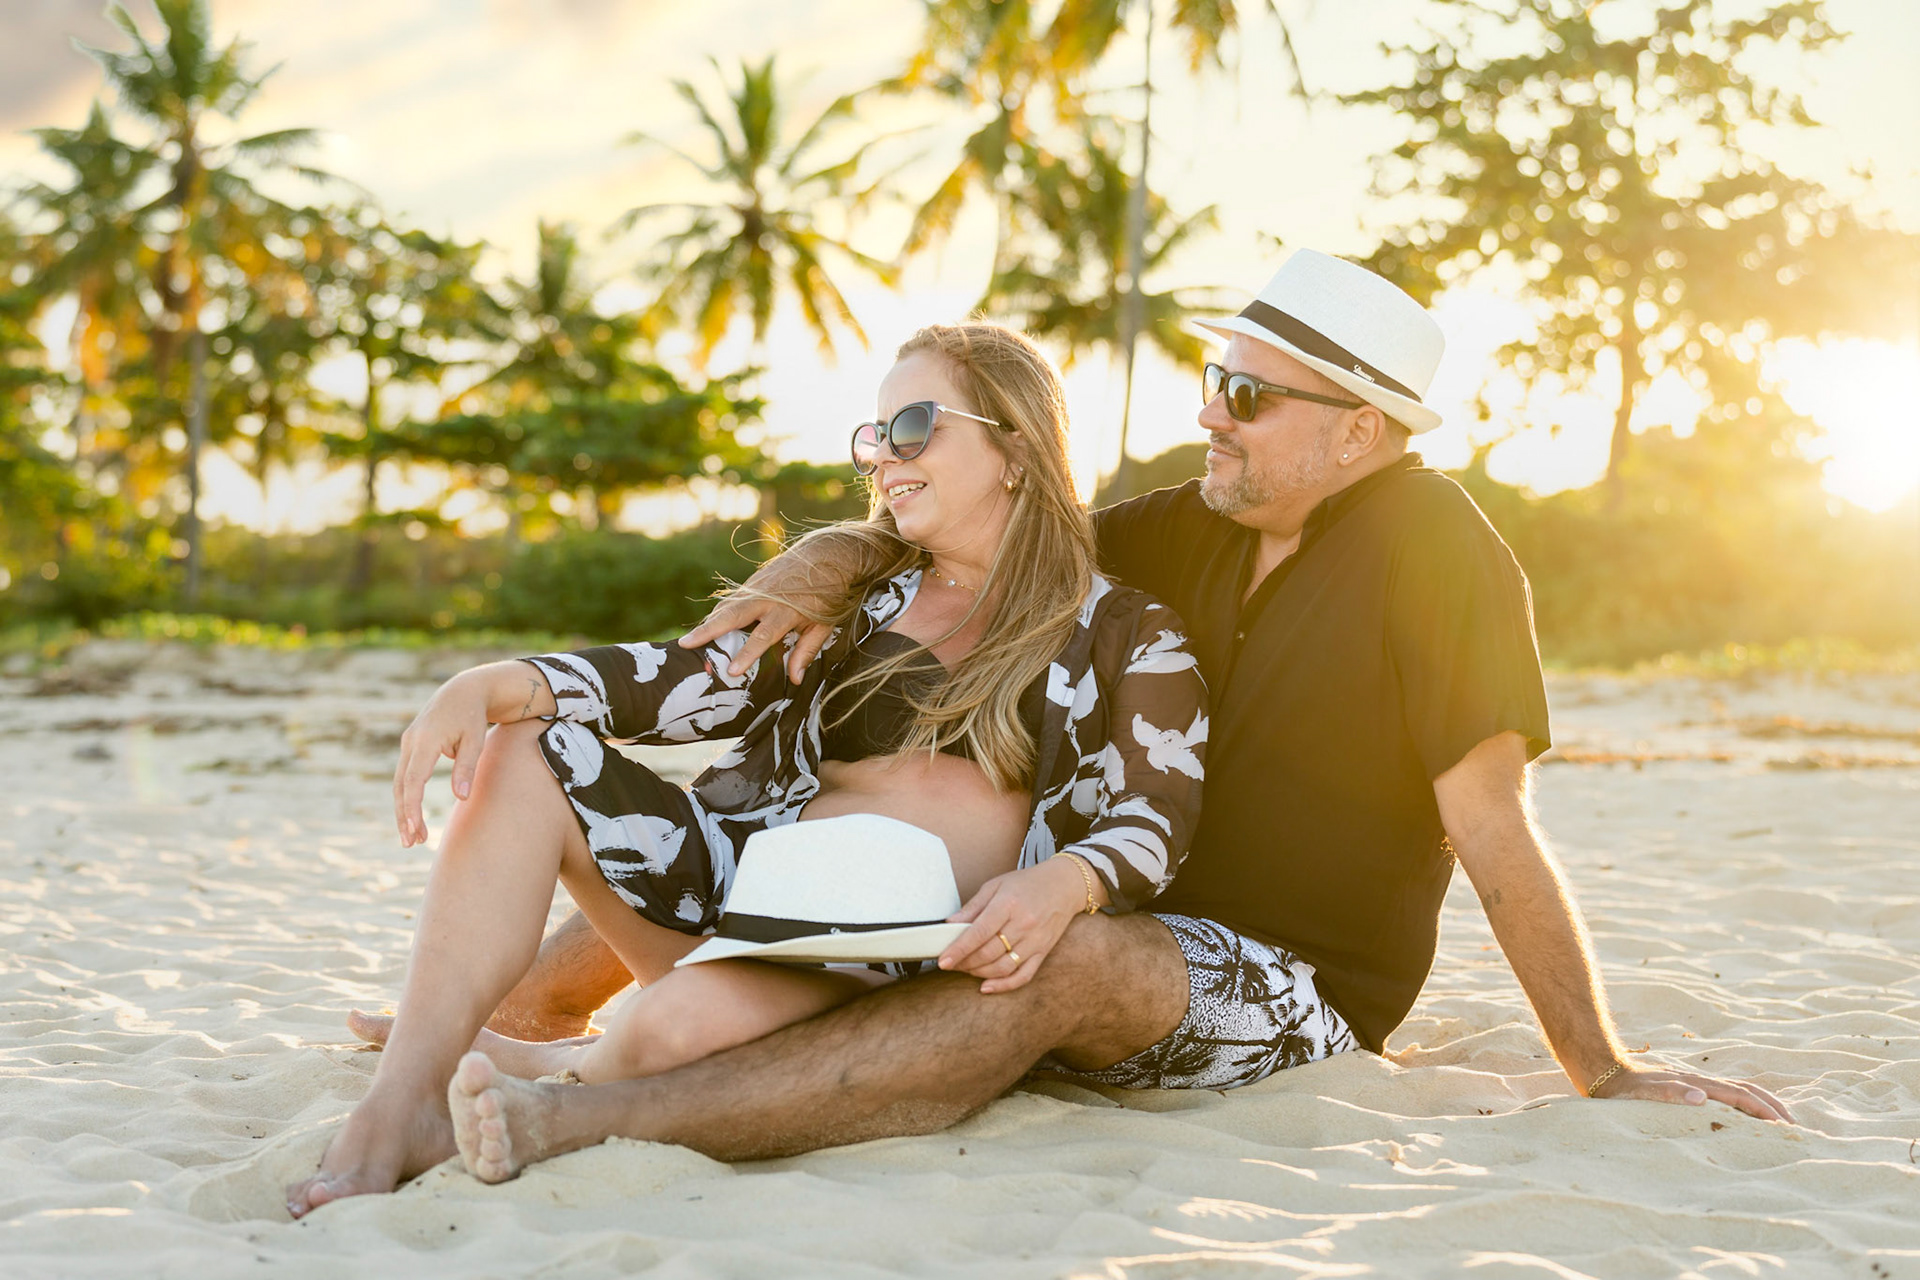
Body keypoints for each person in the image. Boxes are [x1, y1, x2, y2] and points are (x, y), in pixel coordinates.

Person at [425, 249, 1791, 1187]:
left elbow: (1494, 826)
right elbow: (977, 532)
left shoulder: (1442, 553)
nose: (1213, 416)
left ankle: (592, 1118)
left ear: (1362, 433)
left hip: (1286, 979)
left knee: (1060, 964)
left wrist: (1601, 1070)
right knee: (835, 828)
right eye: (1217, 379)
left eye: (1249, 398)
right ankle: (525, 1017)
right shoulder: (1189, 526)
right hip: (1094, 887)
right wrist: (813, 565)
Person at [284, 322, 1209, 1216]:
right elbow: (691, 680)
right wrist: (506, 681)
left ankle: (536, 1069)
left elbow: (1156, 811)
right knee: (526, 743)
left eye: (915, 427)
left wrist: (1073, 878)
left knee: (665, 1034)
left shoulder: (1127, 633)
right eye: (873, 436)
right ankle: (401, 1099)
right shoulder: (849, 599)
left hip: (879, 958)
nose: (884, 456)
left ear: (1016, 445)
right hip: (742, 897)